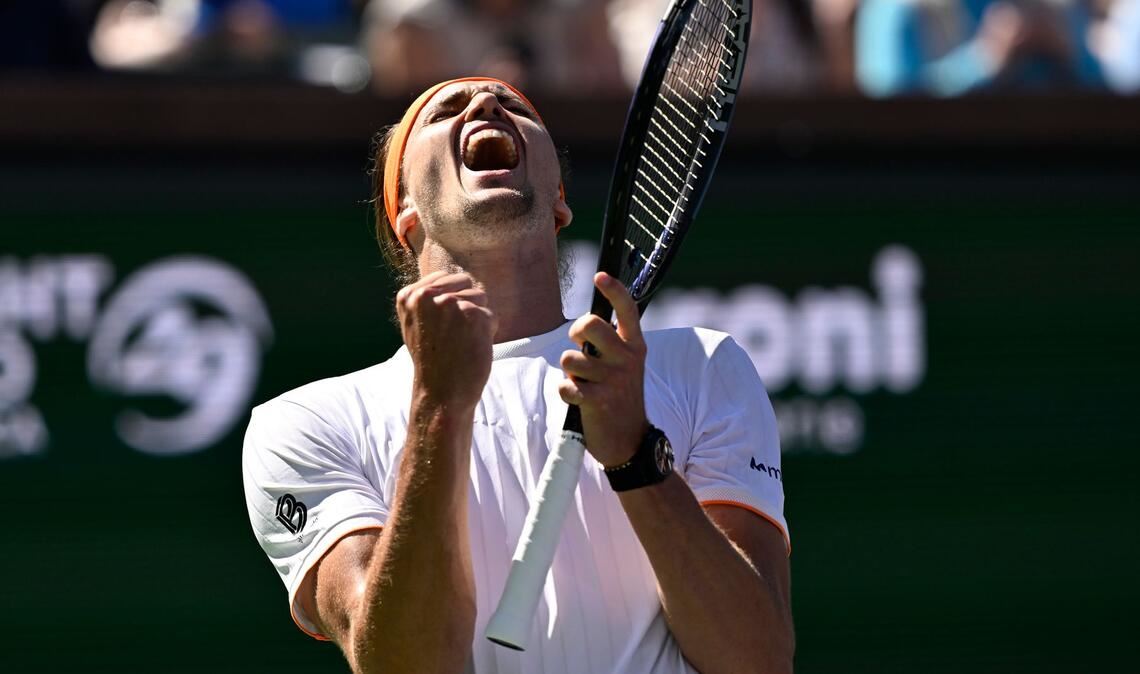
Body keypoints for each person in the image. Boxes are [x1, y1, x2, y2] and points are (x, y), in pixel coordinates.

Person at [242, 76, 793, 673]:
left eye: (514, 107)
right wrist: (440, 410)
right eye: (445, 111)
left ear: (558, 200)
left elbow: (756, 660)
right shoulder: (303, 425)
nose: (485, 105)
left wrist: (636, 457)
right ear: (403, 209)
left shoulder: (704, 365)